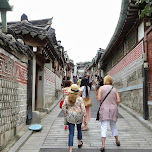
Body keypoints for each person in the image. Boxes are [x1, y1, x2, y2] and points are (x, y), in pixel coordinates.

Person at [97, 75, 121, 152]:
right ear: (111, 81)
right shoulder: (114, 89)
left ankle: (103, 145)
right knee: (113, 125)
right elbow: (118, 100)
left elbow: (99, 99)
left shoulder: (101, 88)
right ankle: (117, 141)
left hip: (104, 109)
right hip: (113, 108)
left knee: (104, 126)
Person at [62, 84, 87, 152]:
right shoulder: (80, 99)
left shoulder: (67, 98)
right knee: (79, 129)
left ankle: (70, 149)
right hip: (78, 116)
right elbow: (83, 109)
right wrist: (85, 116)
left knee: (71, 132)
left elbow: (63, 106)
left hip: (70, 116)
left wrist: (66, 112)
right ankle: (79, 142)